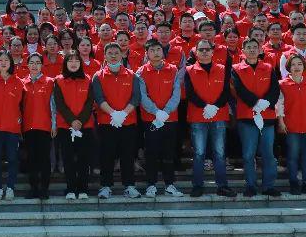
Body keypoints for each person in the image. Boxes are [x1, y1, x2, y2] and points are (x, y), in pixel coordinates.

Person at [184, 41, 236, 198]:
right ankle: (197, 186)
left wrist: (215, 106)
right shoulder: (189, 70)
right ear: (196, 53)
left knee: (219, 152)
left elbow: (226, 91)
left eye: (208, 49)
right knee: (199, 152)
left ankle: (222, 186)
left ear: (213, 52)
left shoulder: (222, 69)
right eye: (201, 49)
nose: (205, 52)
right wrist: (205, 106)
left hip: (218, 115)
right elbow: (190, 93)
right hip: (197, 116)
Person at [231, 38, 281, 197]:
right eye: (249, 47)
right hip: (246, 117)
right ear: (243, 51)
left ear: (260, 50)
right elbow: (239, 89)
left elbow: (275, 89)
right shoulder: (236, 69)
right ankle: (251, 185)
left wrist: (265, 103)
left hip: (267, 117)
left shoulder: (268, 67)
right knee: (248, 154)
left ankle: (268, 186)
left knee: (268, 154)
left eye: (255, 47)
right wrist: (256, 103)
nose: (252, 50)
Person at [91, 42, 142, 199]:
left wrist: (123, 114)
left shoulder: (132, 75)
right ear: (105, 56)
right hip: (107, 122)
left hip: (128, 122)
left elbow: (136, 97)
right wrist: (114, 114)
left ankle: (129, 186)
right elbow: (99, 98)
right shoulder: (98, 76)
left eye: (116, 53)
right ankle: (106, 186)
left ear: (122, 55)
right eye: (110, 53)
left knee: (128, 155)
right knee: (107, 155)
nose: (113, 56)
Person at [137, 39, 184, 197]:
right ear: (147, 54)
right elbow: (142, 96)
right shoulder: (141, 72)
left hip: (170, 118)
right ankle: (151, 185)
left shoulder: (173, 69)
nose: (156, 52)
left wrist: (166, 111)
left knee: (169, 153)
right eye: (152, 50)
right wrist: (156, 112)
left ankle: (170, 184)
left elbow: (176, 93)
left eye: (158, 49)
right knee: (151, 152)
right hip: (150, 119)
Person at [276, 55, 306, 194]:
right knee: (293, 156)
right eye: (293, 65)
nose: (296, 67)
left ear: (304, 66)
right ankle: (293, 183)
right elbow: (279, 104)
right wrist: (281, 121)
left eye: (299, 64)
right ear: (288, 68)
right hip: (291, 126)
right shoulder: (282, 84)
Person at [53, 50, 95, 200]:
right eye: (70, 60)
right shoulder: (58, 80)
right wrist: (72, 121)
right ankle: (70, 188)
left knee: (84, 158)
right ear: (65, 63)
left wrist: (80, 121)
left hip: (85, 126)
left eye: (76, 60)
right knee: (68, 159)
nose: (73, 63)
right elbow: (60, 104)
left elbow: (90, 102)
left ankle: (83, 189)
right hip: (65, 126)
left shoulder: (88, 79)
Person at [0, 50, 25, 200]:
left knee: (12, 158)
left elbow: (22, 106)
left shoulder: (19, 82)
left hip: (13, 127)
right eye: (0, 60)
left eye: (6, 60)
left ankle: (10, 187)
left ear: (11, 63)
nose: (3, 63)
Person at [22, 53, 56, 200]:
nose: (34, 65)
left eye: (37, 62)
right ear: (27, 65)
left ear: (42, 65)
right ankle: (34, 188)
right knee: (31, 159)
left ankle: (44, 189)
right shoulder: (22, 82)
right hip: (28, 126)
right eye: (32, 62)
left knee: (44, 159)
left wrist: (54, 124)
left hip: (44, 126)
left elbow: (53, 105)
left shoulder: (50, 82)